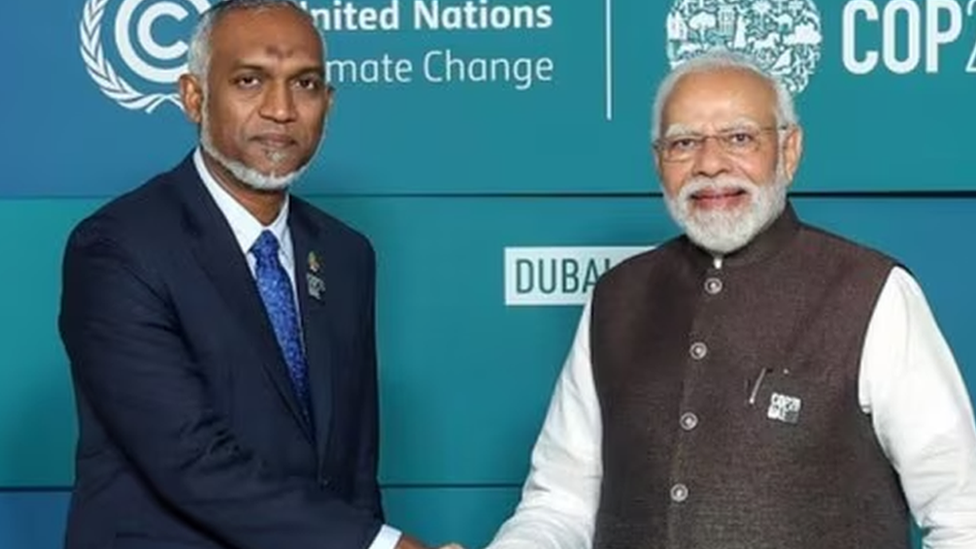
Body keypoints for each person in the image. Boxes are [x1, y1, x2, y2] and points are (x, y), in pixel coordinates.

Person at [482, 50, 976, 549]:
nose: (710, 164)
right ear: (658, 162)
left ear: (789, 150)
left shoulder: (873, 292)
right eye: (684, 143)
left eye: (740, 138)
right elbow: (560, 502)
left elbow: (963, 513)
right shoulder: (617, 298)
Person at [58, 1, 441, 548]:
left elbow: (352, 469)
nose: (281, 109)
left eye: (305, 84)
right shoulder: (118, 248)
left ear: (328, 104)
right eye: (249, 80)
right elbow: (189, 460)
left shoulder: (346, 253)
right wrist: (381, 547)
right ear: (194, 97)